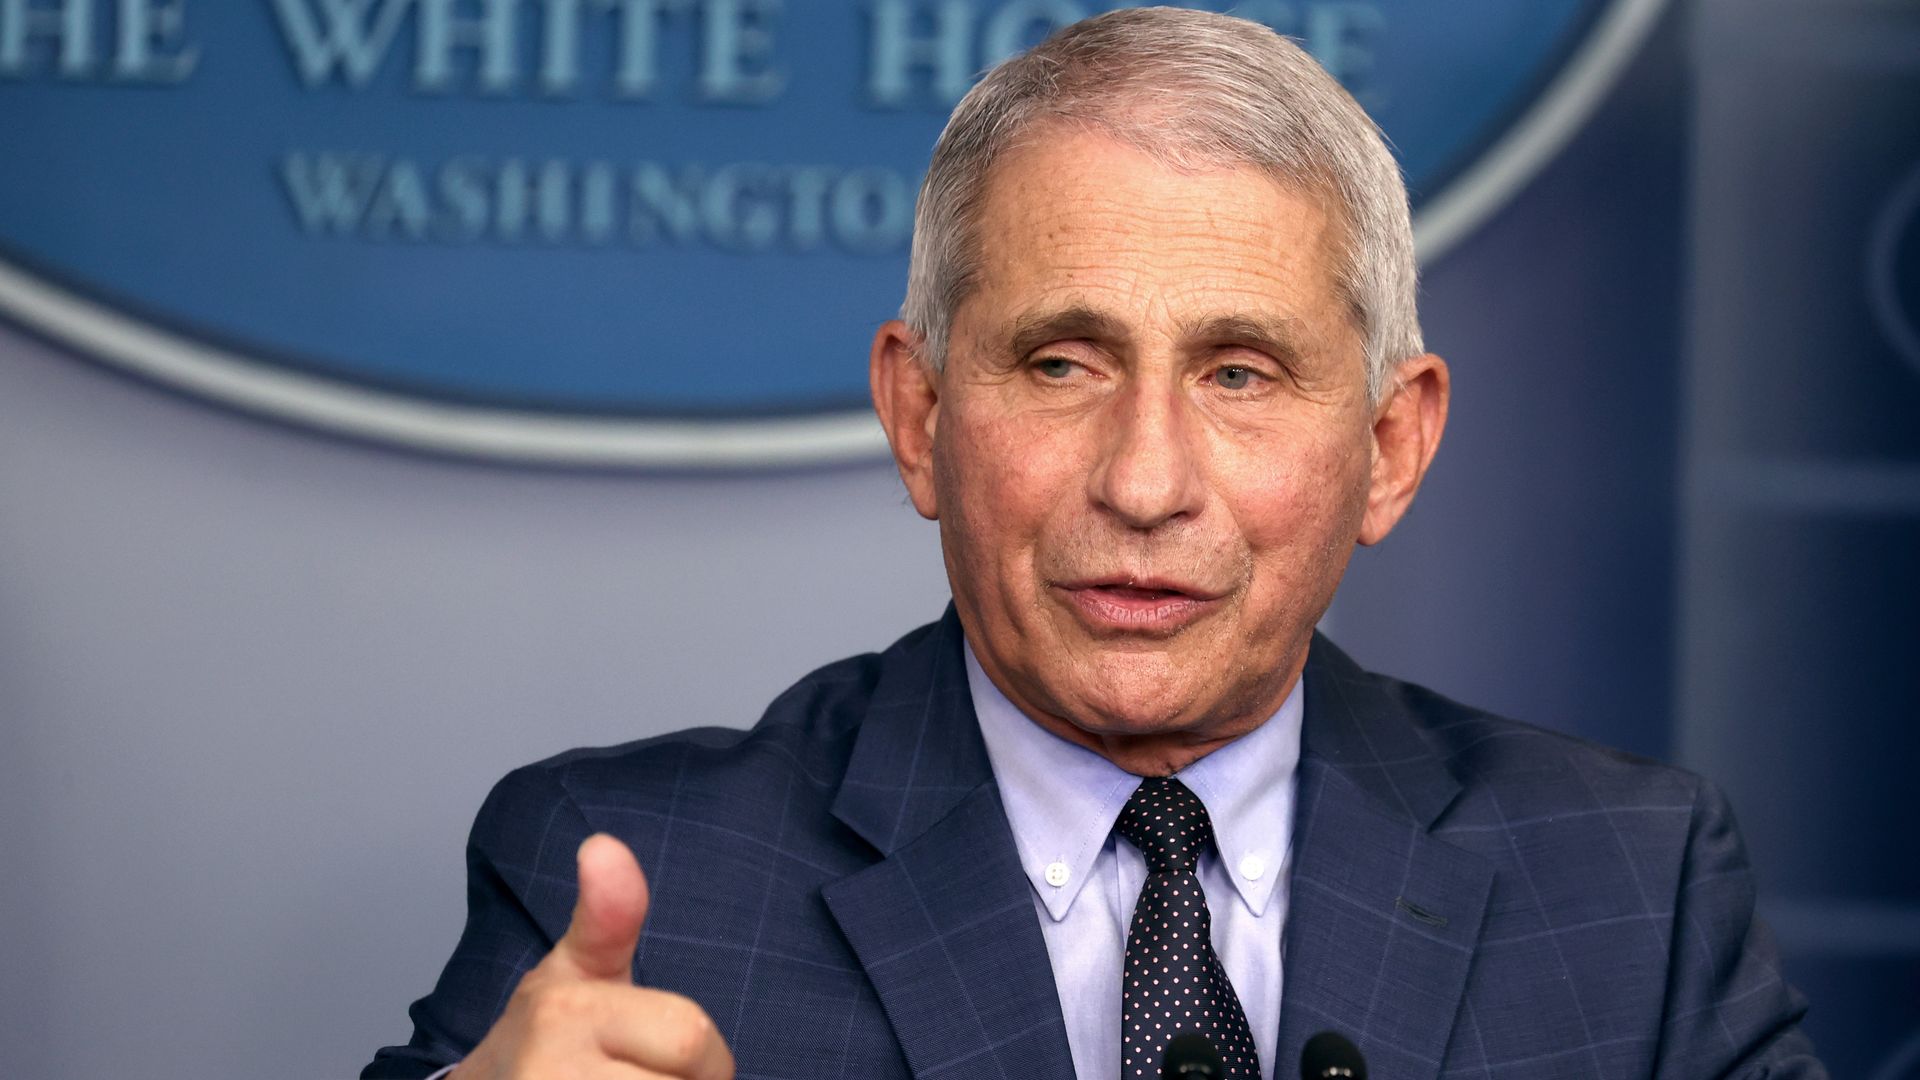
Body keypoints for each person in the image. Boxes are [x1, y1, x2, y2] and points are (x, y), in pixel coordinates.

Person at [365, 9, 1823, 1079]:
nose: (1145, 482)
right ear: (920, 414)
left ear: (1390, 447)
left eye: (1239, 373)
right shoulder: (640, 884)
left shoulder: (1629, 890)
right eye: (1062, 363)